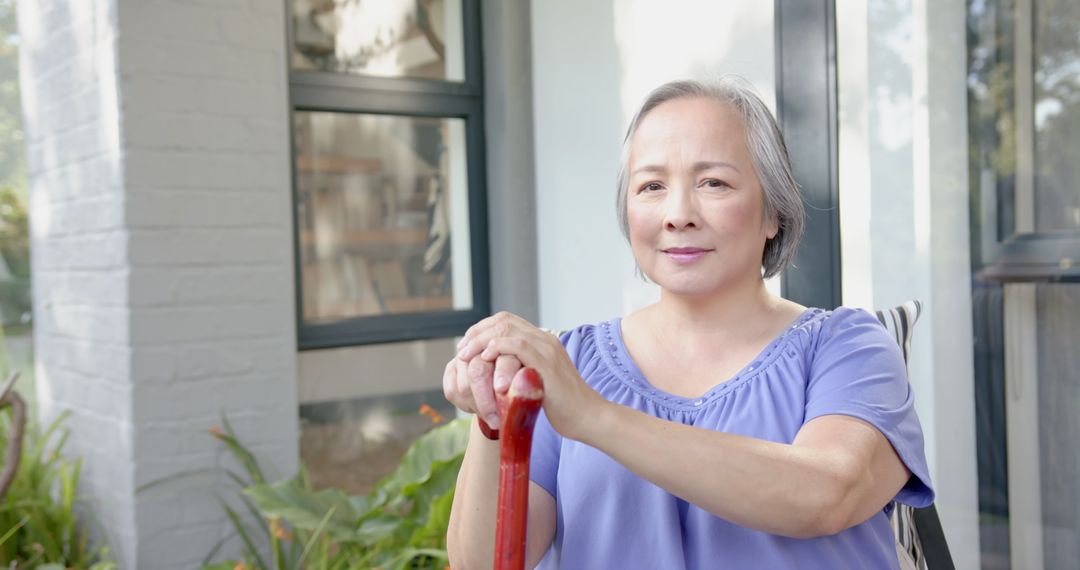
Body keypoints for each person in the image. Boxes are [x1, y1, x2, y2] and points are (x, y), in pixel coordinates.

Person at [443, 78, 934, 569]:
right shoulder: (568, 365)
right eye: (651, 186)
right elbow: (480, 563)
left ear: (774, 213)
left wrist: (592, 416)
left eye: (713, 182)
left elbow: (829, 494)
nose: (678, 215)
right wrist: (494, 413)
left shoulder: (848, 347)